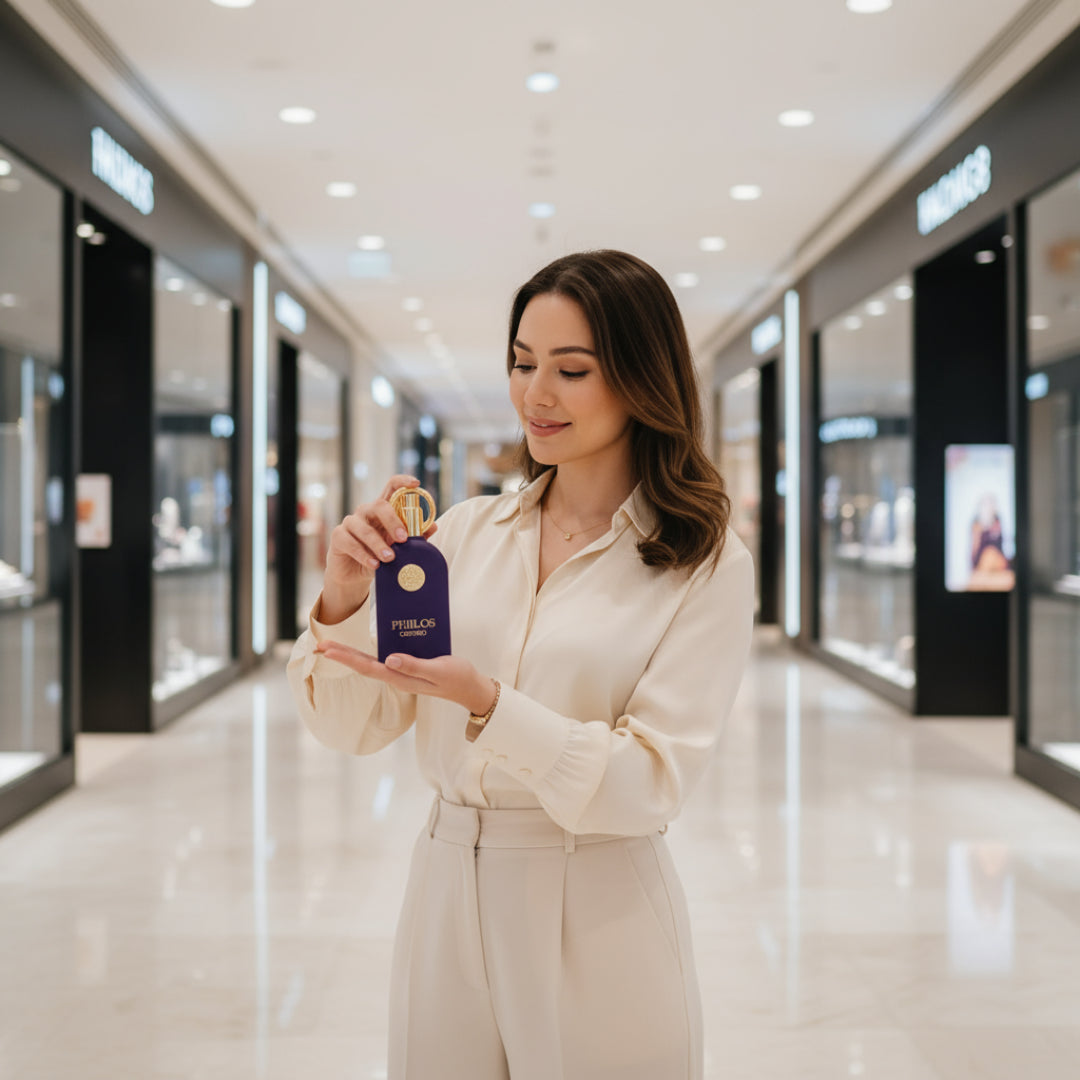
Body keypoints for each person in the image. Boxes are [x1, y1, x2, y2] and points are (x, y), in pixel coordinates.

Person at [287, 250, 755, 1080]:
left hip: (600, 899)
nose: (535, 395)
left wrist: (490, 704)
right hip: (445, 885)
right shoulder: (463, 534)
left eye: (571, 369)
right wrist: (344, 598)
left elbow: (651, 779)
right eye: (522, 363)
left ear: (644, 378)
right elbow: (351, 726)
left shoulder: (702, 560)